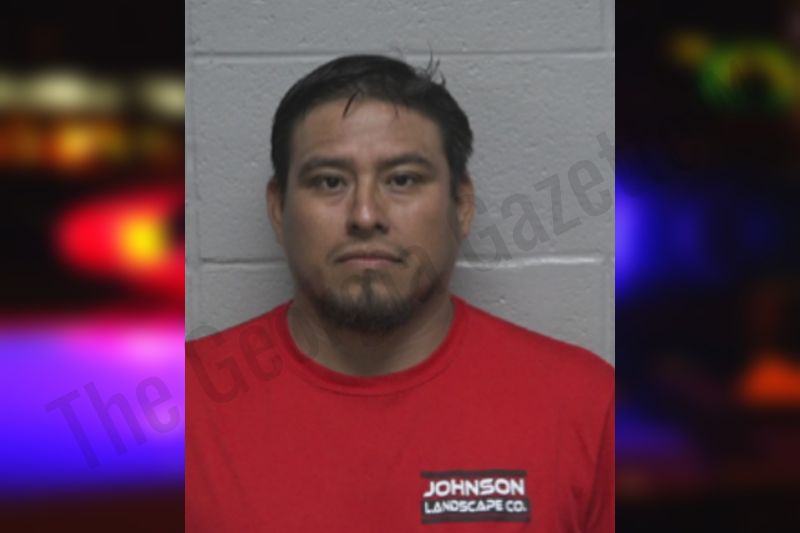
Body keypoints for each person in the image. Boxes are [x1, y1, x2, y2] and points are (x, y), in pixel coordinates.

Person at [186, 54, 614, 532]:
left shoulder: (586, 406)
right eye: (330, 181)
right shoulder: (176, 412)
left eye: (402, 180)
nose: (365, 215)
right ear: (279, 209)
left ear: (462, 206)